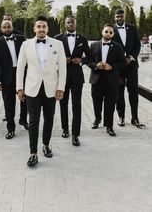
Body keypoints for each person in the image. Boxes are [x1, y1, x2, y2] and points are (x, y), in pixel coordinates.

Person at [16, 15, 66, 167]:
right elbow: (20, 67)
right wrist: (19, 87)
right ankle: (33, 152)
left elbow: (63, 69)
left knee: (49, 119)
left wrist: (61, 88)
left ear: (47, 28)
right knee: (33, 121)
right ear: (34, 29)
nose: (41, 29)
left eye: (44, 27)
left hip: (51, 88)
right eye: (38, 27)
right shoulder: (26, 45)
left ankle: (46, 145)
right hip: (32, 89)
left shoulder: (58, 44)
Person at [55, 15, 90, 146]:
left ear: (75, 24)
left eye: (72, 22)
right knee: (63, 103)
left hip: (77, 77)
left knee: (77, 105)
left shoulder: (83, 39)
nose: (70, 24)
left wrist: (81, 60)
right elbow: (52, 57)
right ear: (65, 24)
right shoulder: (57, 38)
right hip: (62, 77)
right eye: (68, 22)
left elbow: (90, 56)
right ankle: (65, 129)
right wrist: (62, 60)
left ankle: (75, 134)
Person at [0, 20, 28, 139]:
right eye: (4, 27)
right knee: (9, 104)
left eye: (9, 27)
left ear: (12, 28)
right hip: (6, 77)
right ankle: (11, 129)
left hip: (22, 74)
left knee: (25, 100)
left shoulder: (21, 39)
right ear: (1, 29)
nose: (7, 29)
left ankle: (23, 120)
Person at [88, 24, 126, 137]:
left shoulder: (118, 47)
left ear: (113, 34)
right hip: (97, 79)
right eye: (106, 31)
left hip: (112, 80)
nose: (108, 33)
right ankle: (97, 119)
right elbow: (88, 60)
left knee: (110, 104)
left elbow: (123, 63)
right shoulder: (93, 45)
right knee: (96, 102)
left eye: (111, 32)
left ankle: (109, 126)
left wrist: (112, 67)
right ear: (102, 32)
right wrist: (95, 65)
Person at [113, 9, 144, 128]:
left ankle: (135, 118)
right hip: (118, 67)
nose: (119, 18)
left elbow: (138, 44)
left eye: (121, 16)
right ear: (114, 18)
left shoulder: (132, 28)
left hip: (131, 66)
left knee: (133, 92)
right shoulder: (112, 30)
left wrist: (131, 57)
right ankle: (121, 117)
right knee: (119, 93)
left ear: (124, 16)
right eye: (117, 17)